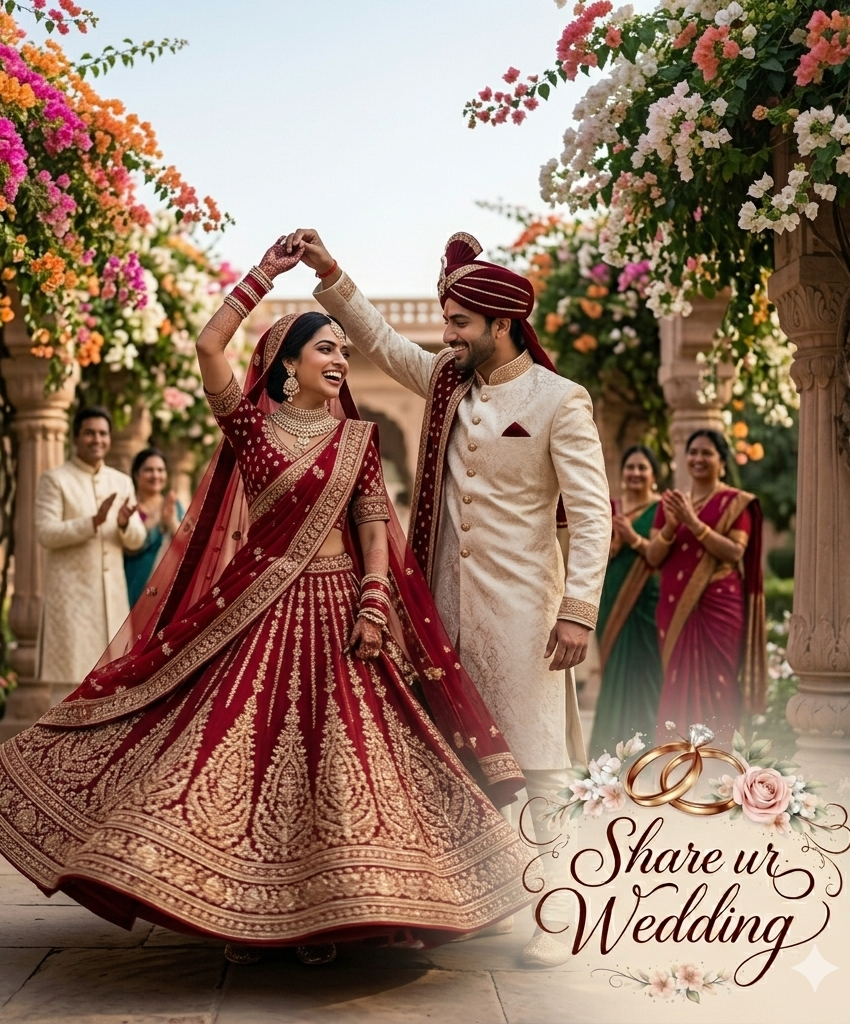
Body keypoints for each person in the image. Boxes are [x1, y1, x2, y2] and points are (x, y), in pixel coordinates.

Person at [0, 239, 529, 969]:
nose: (340, 361)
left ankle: (335, 917)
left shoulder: (357, 439)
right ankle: (244, 917)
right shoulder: (252, 428)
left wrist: (376, 600)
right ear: (286, 368)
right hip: (258, 611)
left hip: (343, 617)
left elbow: (372, 524)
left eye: (342, 352)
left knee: (345, 767)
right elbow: (209, 342)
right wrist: (265, 273)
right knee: (242, 759)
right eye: (325, 348)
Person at [287, 228, 611, 966]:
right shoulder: (446, 385)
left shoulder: (559, 400)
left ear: (502, 325)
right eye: (446, 321)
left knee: (538, 759)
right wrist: (332, 272)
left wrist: (578, 610)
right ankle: (489, 895)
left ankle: (561, 912)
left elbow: (593, 515)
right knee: (456, 754)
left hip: (528, 613)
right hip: (440, 609)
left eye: (460, 323)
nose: (447, 335)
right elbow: (379, 340)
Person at [644, 429, 766, 745]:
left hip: (718, 606)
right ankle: (674, 764)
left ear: (722, 463)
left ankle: (719, 765)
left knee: (719, 685)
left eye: (707, 453)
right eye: (693, 451)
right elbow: (653, 557)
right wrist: (672, 525)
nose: (698, 458)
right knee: (676, 684)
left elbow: (735, 551)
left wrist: (694, 523)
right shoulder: (670, 503)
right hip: (674, 608)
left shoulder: (736, 504)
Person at [34, 407, 147, 691]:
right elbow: (45, 533)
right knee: (68, 690)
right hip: (72, 603)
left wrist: (123, 525)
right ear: (75, 437)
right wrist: (92, 522)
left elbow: (137, 540)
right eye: (89, 433)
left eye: (102, 433)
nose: (96, 439)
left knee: (111, 687)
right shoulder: (56, 479)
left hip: (113, 603)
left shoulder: (120, 482)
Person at [589, 446, 663, 758]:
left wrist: (632, 538)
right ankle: (609, 751)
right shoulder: (610, 507)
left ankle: (649, 750)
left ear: (654, 476)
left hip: (647, 599)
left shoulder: (662, 510)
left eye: (642, 468)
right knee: (614, 671)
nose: (635, 473)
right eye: (630, 467)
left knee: (647, 672)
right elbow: (591, 551)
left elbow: (663, 554)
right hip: (612, 596)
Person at [124, 447, 185, 607]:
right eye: (149, 470)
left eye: (160, 470)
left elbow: (188, 544)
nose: (156, 475)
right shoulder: (129, 508)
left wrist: (171, 521)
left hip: (164, 585)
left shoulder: (172, 506)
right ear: (137, 474)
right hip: (132, 579)